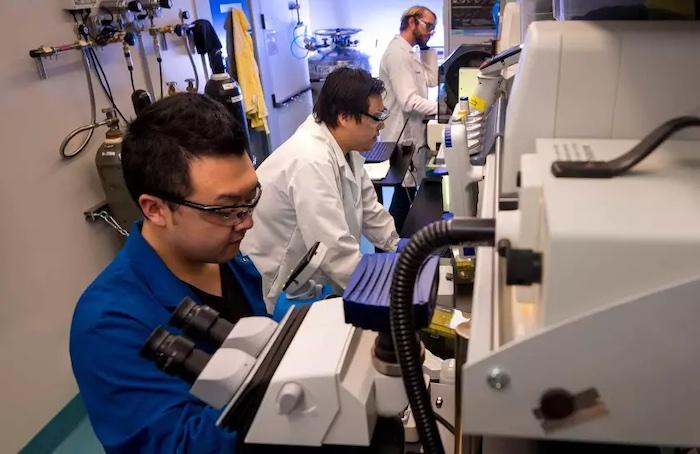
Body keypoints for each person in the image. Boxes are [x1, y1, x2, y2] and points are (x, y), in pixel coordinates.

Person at [70, 93, 266, 452]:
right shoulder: (108, 324)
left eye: (249, 198)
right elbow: (176, 445)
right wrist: (276, 397)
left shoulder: (227, 259)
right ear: (156, 209)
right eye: (225, 209)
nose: (247, 221)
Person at [241, 67, 400, 310]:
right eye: (377, 117)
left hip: (305, 274)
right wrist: (385, 292)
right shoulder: (310, 159)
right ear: (344, 117)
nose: (382, 126)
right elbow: (333, 248)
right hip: (276, 284)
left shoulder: (346, 147)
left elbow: (369, 209)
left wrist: (398, 245)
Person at [379, 5, 439, 234]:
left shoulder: (409, 52)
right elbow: (408, 101)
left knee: (408, 192)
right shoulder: (397, 54)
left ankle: (398, 244)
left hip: (413, 134)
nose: (431, 31)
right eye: (428, 26)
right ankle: (392, 249)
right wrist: (443, 110)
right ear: (412, 22)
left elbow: (432, 80)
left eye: (434, 27)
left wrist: (426, 47)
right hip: (402, 136)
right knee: (404, 195)